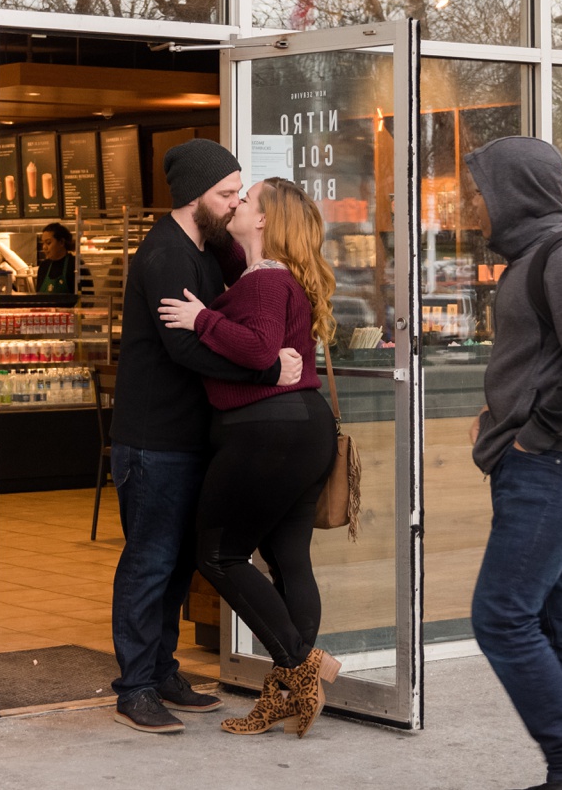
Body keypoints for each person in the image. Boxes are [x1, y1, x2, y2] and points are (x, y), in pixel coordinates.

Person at [110, 139, 305, 735]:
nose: (233, 203)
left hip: (190, 438)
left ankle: (162, 671)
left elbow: (243, 307)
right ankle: (136, 687)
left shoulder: (207, 248)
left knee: (175, 566)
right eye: (225, 194)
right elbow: (188, 346)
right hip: (152, 439)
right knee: (149, 561)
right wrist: (269, 369)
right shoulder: (165, 255)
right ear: (194, 194)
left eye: (236, 193)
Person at [465, 136, 562, 790]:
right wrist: (502, 420)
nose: (472, 205)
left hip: (559, 462)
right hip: (543, 461)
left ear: (514, 192)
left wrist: (534, 433)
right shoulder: (532, 258)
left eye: (480, 192)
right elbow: (548, 362)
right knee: (558, 616)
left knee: (501, 612)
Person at [159, 176, 341, 737]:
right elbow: (223, 242)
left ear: (263, 220)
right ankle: (288, 693)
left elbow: (260, 349)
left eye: (247, 198)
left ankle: (301, 666)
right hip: (303, 427)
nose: (237, 203)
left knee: (217, 554)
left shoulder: (264, 282)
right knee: (289, 557)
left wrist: (201, 320)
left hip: (267, 432)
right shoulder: (270, 273)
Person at [35, 221, 78, 295]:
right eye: (43, 243)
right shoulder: (44, 266)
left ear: (61, 242)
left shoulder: (75, 265)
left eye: (48, 243)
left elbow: (87, 300)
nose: (44, 247)